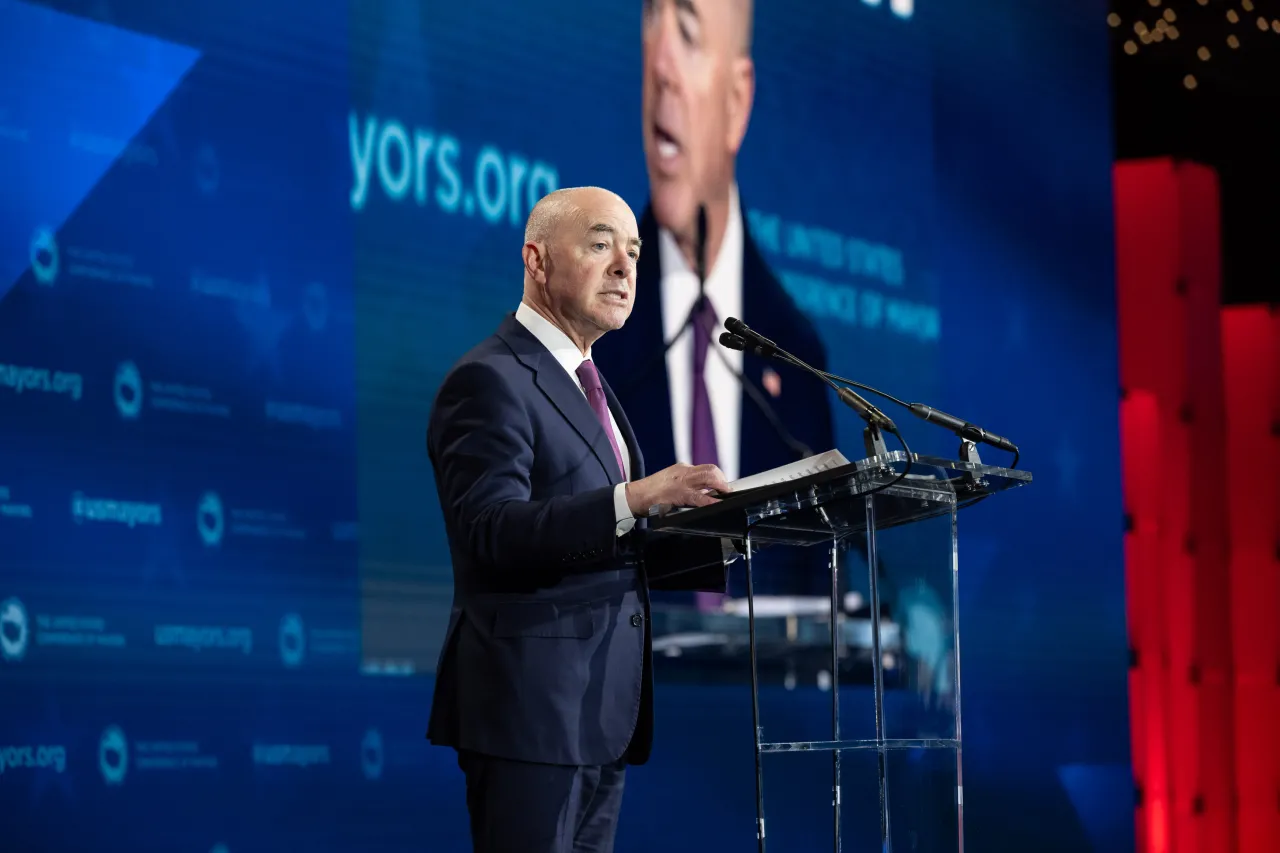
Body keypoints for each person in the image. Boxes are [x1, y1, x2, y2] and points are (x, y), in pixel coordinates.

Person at [425, 186, 741, 853]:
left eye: (632, 251)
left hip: (600, 710)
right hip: (529, 713)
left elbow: (612, 543)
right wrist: (635, 498)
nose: (626, 268)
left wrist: (729, 534)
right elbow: (491, 531)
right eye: (601, 245)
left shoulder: (590, 385)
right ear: (537, 261)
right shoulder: (490, 379)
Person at [592, 0, 835, 600]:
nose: (662, 64)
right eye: (652, 21)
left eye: (689, 33)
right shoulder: (591, 332)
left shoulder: (796, 356)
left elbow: (821, 579)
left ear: (736, 101)